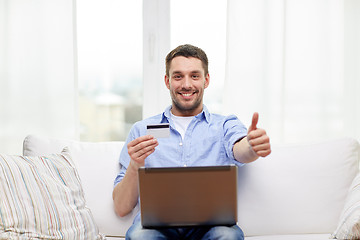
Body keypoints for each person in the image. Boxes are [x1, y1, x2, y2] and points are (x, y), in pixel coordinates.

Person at [112, 44, 271, 240]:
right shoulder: (141, 130)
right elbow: (121, 208)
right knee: (139, 237)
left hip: (213, 225)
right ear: (167, 81)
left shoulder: (224, 125)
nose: (186, 85)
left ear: (206, 80)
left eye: (194, 76)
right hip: (155, 228)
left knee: (227, 236)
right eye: (178, 76)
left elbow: (241, 149)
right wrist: (136, 164)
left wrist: (252, 146)